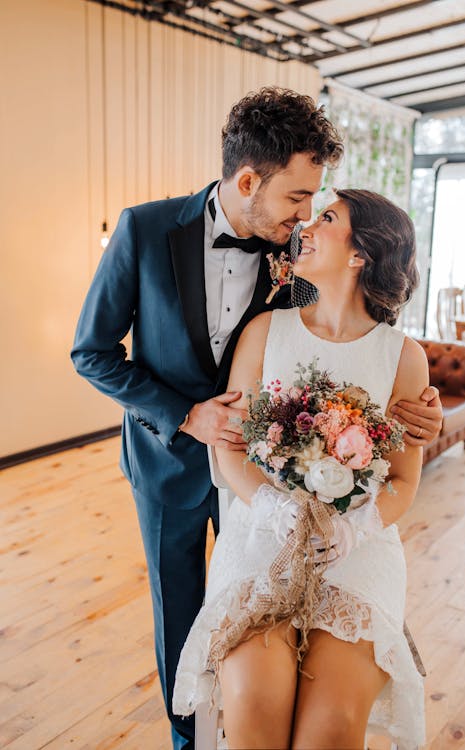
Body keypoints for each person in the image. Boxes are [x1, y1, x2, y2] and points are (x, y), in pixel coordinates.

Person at [71, 88, 441, 750]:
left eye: (317, 204)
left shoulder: (293, 260)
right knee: (181, 610)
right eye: (299, 198)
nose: (305, 217)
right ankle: (190, 739)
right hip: (171, 459)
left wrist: (419, 410)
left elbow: (338, 340)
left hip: (274, 468)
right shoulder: (143, 230)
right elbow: (91, 353)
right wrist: (185, 415)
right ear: (249, 181)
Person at [173, 189, 428, 749]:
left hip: (357, 552)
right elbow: (231, 447)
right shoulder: (266, 332)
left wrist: (351, 528)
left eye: (328, 218)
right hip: (264, 538)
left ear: (360, 253)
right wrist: (274, 506)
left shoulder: (403, 358)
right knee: (254, 705)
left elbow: (405, 482)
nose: (307, 225)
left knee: (331, 727)